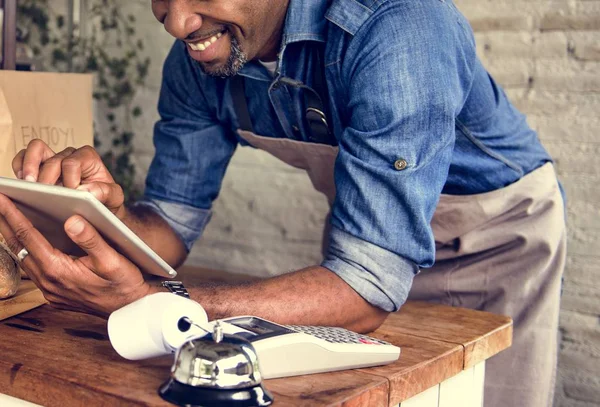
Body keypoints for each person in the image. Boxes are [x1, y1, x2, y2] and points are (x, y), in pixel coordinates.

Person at [0, 0, 565, 406]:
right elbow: (170, 222)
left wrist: (156, 302)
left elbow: (366, 286)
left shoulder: (399, 26)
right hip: (364, 239)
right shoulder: (199, 58)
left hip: (497, 236)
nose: (176, 21)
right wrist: (105, 218)